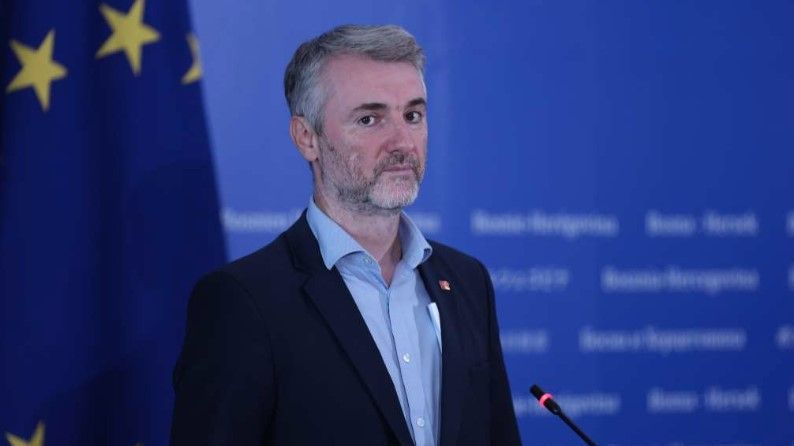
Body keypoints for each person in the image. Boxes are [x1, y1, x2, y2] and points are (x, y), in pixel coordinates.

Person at [171, 24, 522, 446]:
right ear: (307, 138)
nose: (402, 142)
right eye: (369, 119)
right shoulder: (243, 301)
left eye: (413, 116)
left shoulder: (467, 281)